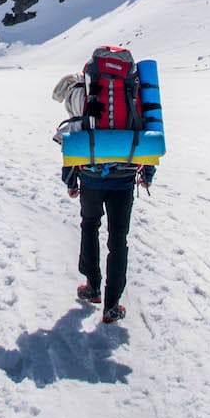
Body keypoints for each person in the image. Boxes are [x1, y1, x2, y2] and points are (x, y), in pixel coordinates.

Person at [52, 73, 137, 325]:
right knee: (118, 239)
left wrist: (71, 180)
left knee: (90, 226)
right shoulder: (130, 90)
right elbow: (143, 128)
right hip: (125, 176)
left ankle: (92, 286)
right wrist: (148, 173)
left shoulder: (82, 91)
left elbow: (74, 137)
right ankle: (112, 306)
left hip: (91, 176)